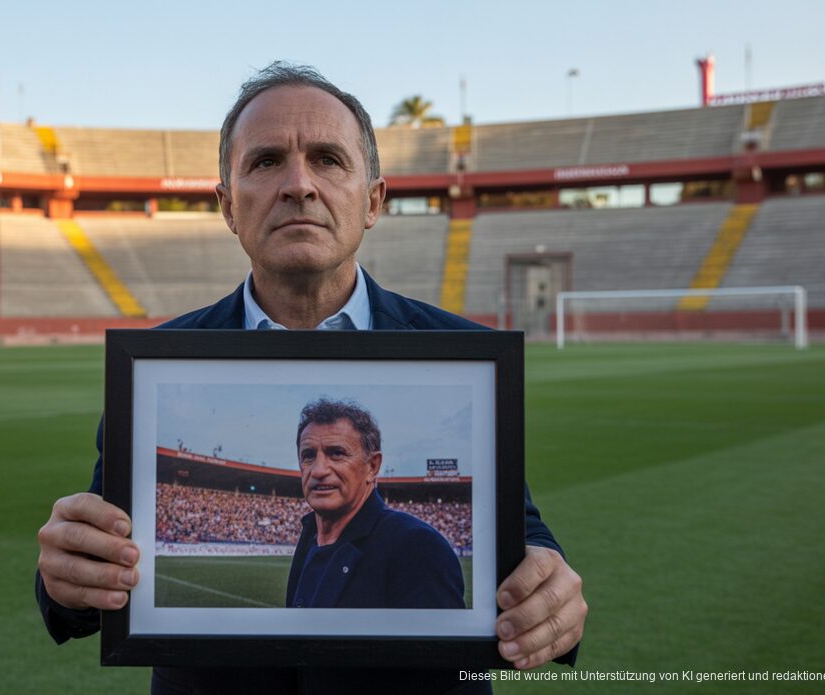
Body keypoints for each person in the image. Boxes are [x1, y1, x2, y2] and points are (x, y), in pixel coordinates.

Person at [36, 61, 587, 695]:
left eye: (327, 159)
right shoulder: (154, 366)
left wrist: (551, 583)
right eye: (266, 161)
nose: (299, 184)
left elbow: (519, 533)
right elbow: (96, 562)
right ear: (227, 207)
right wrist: (68, 576)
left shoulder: (462, 358)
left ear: (374, 200)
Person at [287, 398, 465, 609]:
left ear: (372, 466)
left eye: (336, 453)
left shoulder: (415, 546)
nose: (318, 470)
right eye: (308, 456)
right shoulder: (309, 537)